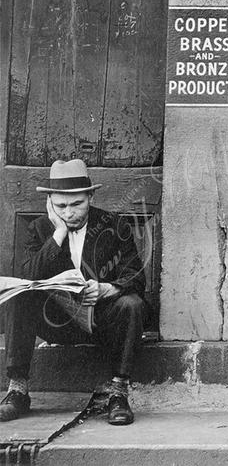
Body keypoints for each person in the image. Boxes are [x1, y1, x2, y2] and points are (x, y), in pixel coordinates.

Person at [0, 160, 149, 425]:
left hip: (100, 322)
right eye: (61, 206)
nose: (69, 213)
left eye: (77, 204)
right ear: (50, 203)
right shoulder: (40, 229)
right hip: (54, 322)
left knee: (132, 303)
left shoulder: (113, 225)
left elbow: (135, 275)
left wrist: (107, 288)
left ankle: (118, 392)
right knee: (19, 293)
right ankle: (18, 389)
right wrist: (58, 234)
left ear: (91, 196)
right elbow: (30, 275)